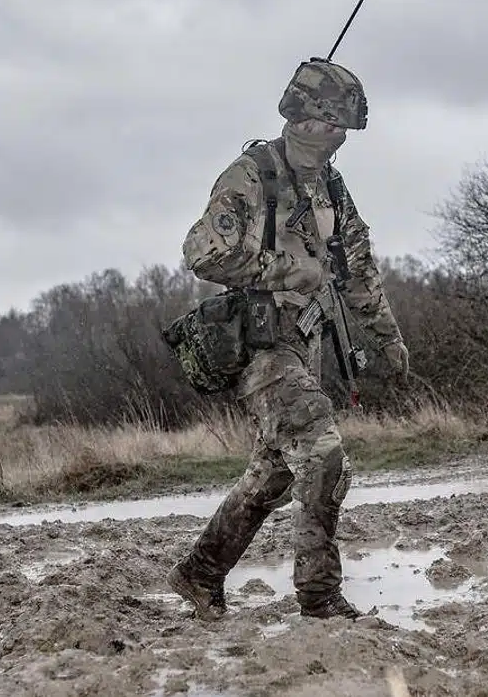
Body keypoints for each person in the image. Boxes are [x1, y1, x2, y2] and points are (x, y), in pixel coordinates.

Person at [167, 58, 410, 620]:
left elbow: (358, 270)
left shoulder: (331, 186)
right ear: (304, 120)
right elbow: (200, 252)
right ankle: (319, 596)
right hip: (260, 346)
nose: (337, 139)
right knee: (324, 455)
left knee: (272, 474)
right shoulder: (251, 175)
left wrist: (388, 340)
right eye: (331, 126)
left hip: (305, 346)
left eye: (344, 130)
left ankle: (199, 574)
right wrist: (281, 268)